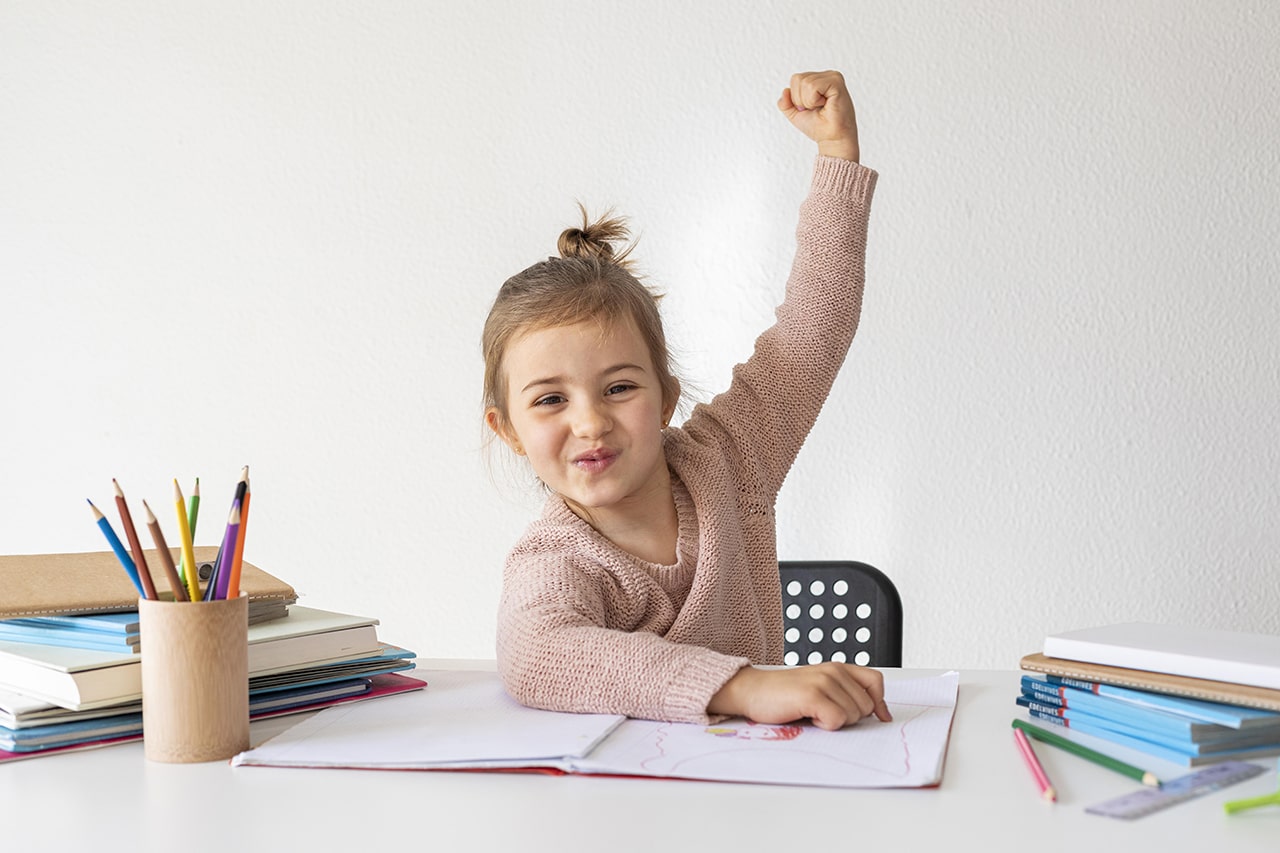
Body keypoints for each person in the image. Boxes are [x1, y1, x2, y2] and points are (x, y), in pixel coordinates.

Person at [481, 70, 890, 731]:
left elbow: (813, 331)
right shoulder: (555, 559)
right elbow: (536, 654)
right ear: (509, 430)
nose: (590, 421)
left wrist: (836, 156)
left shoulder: (729, 458)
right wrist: (743, 684)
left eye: (619, 387)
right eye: (550, 399)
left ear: (666, 395)